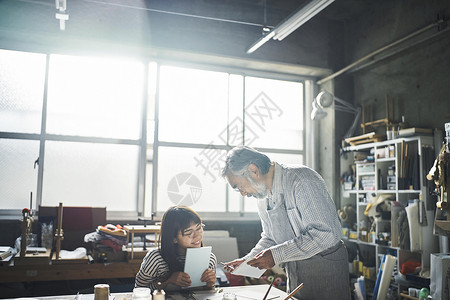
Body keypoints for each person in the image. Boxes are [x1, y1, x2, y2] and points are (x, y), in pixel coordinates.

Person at [221, 146, 350, 300]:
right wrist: (248, 260)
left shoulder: (302, 180)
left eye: (239, 187)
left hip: (325, 270)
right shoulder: (262, 195)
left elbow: (325, 234)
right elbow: (270, 237)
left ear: (253, 170)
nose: (243, 193)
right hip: (295, 271)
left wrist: (277, 254)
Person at [135, 205, 217, 291]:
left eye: (199, 228)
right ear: (174, 238)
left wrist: (210, 285)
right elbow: (139, 289)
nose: (197, 235)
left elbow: (208, 293)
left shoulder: (209, 259)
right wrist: (167, 281)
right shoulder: (156, 258)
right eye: (189, 232)